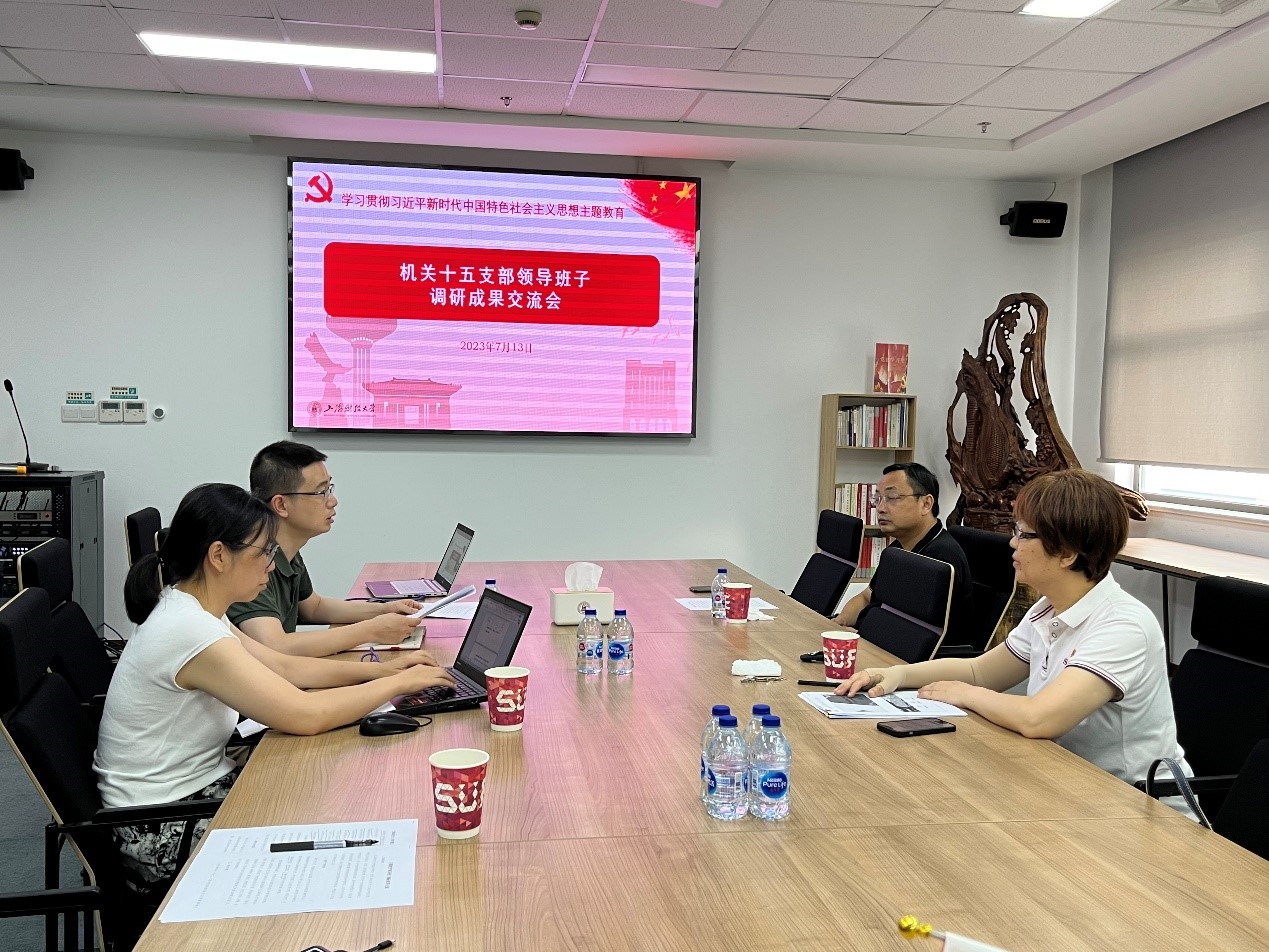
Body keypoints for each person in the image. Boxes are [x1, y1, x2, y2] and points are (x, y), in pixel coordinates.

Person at [94, 483, 454, 892]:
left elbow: (282, 667)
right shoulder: (189, 630)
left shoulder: (195, 609)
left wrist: (383, 673)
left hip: (193, 793)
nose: (271, 564)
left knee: (329, 790)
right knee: (336, 821)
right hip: (159, 830)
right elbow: (305, 715)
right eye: (264, 551)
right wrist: (401, 683)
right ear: (218, 556)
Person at [835, 469, 1193, 802]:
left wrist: (966, 694)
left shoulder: (1123, 625)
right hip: (1063, 781)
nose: (1012, 543)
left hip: (1135, 803)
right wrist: (897, 675)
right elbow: (979, 671)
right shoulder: (1047, 608)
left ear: (1067, 553)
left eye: (1024, 534)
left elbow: (1039, 718)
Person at [228, 441, 422, 656]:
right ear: (281, 505)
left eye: (329, 489)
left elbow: (313, 607)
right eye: (320, 492)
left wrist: (384, 610)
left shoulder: (285, 551)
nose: (332, 501)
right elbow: (275, 645)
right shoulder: (250, 559)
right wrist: (371, 630)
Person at [835, 462, 973, 644]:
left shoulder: (941, 560)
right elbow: (866, 597)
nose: (881, 508)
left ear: (926, 504)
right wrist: (838, 624)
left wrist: (858, 635)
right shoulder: (896, 549)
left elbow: (911, 631)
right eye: (878, 499)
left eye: (892, 497)